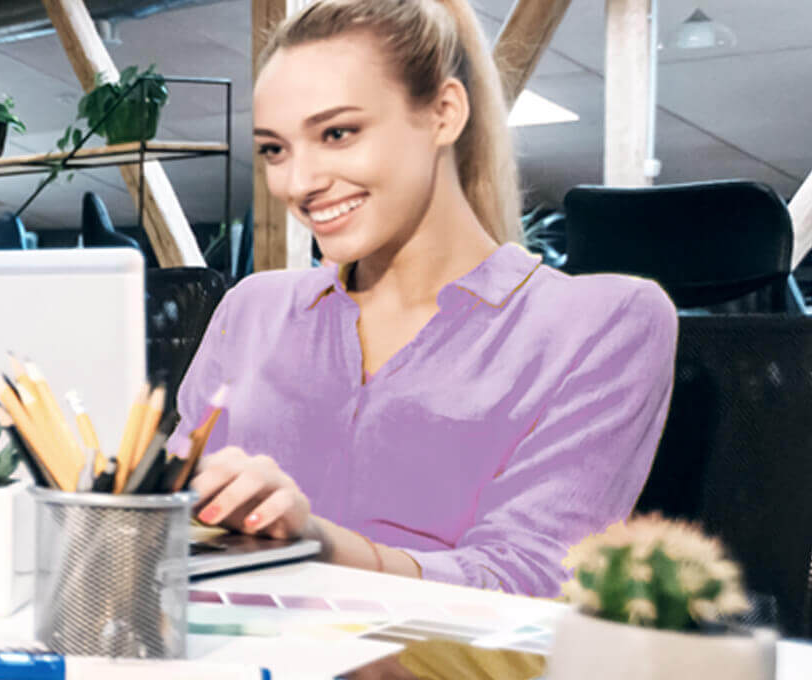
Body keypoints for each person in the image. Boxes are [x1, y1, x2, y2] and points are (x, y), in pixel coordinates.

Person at [176, 0, 674, 598]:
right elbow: (171, 523)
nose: (299, 182)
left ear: (443, 113)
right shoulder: (251, 308)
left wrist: (318, 544)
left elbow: (533, 579)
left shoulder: (607, 323)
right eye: (274, 150)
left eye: (337, 133)